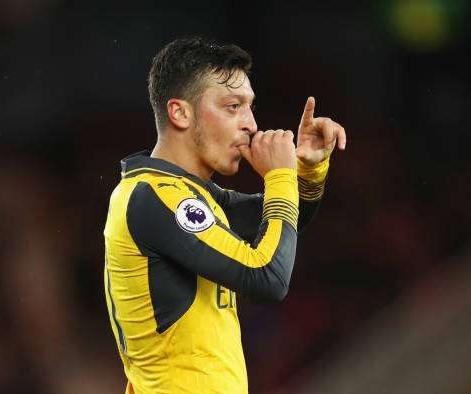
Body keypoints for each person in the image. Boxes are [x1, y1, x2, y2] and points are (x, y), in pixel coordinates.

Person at [103, 36, 346, 394]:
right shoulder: (153, 197)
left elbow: (285, 221)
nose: (250, 123)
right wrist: (279, 176)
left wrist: (308, 171)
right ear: (180, 112)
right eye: (233, 107)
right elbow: (268, 277)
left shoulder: (191, 196)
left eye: (249, 107)